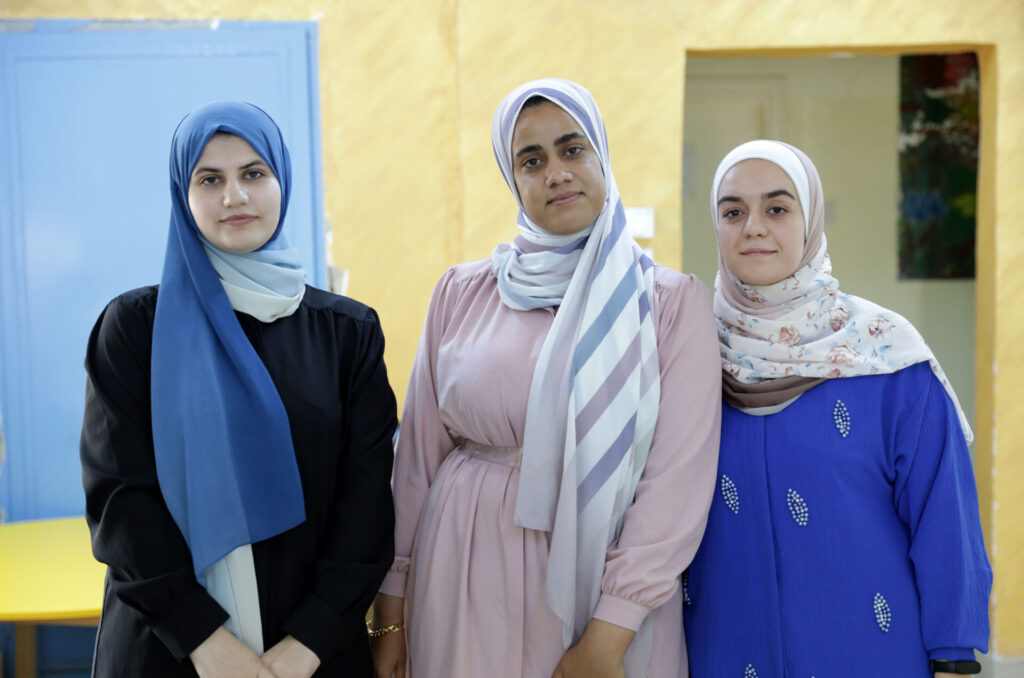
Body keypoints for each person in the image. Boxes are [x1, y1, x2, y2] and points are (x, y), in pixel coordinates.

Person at [370, 79, 721, 678]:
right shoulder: (462, 292)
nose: (556, 172)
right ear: (514, 181)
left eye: (572, 149)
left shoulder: (665, 302)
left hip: (604, 592)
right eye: (532, 161)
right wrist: (393, 609)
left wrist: (609, 635)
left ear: (601, 156)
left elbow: (676, 481)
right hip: (463, 570)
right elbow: (417, 461)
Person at [80, 101, 398, 677]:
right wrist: (206, 643)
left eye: (254, 173)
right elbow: (121, 500)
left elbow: (368, 499)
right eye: (210, 179)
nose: (235, 196)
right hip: (170, 648)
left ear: (283, 180)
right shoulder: (135, 328)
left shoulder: (346, 333)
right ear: (184, 193)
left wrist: (308, 642)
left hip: (312, 653)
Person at [683, 140, 992, 677]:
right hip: (723, 652)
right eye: (733, 211)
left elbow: (945, 521)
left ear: (811, 221)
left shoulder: (887, 357)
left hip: (869, 653)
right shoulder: (685, 353)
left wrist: (954, 659)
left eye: (777, 209)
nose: (753, 226)